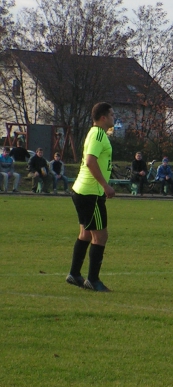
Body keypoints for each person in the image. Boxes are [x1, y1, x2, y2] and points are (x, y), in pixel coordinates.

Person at [66, 102, 116, 292]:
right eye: (111, 114)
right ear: (103, 117)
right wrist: (105, 185)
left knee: (86, 234)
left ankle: (74, 274)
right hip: (91, 193)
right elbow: (89, 161)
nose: (113, 117)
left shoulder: (97, 133)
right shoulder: (97, 134)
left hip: (83, 190)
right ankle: (93, 280)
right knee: (100, 235)